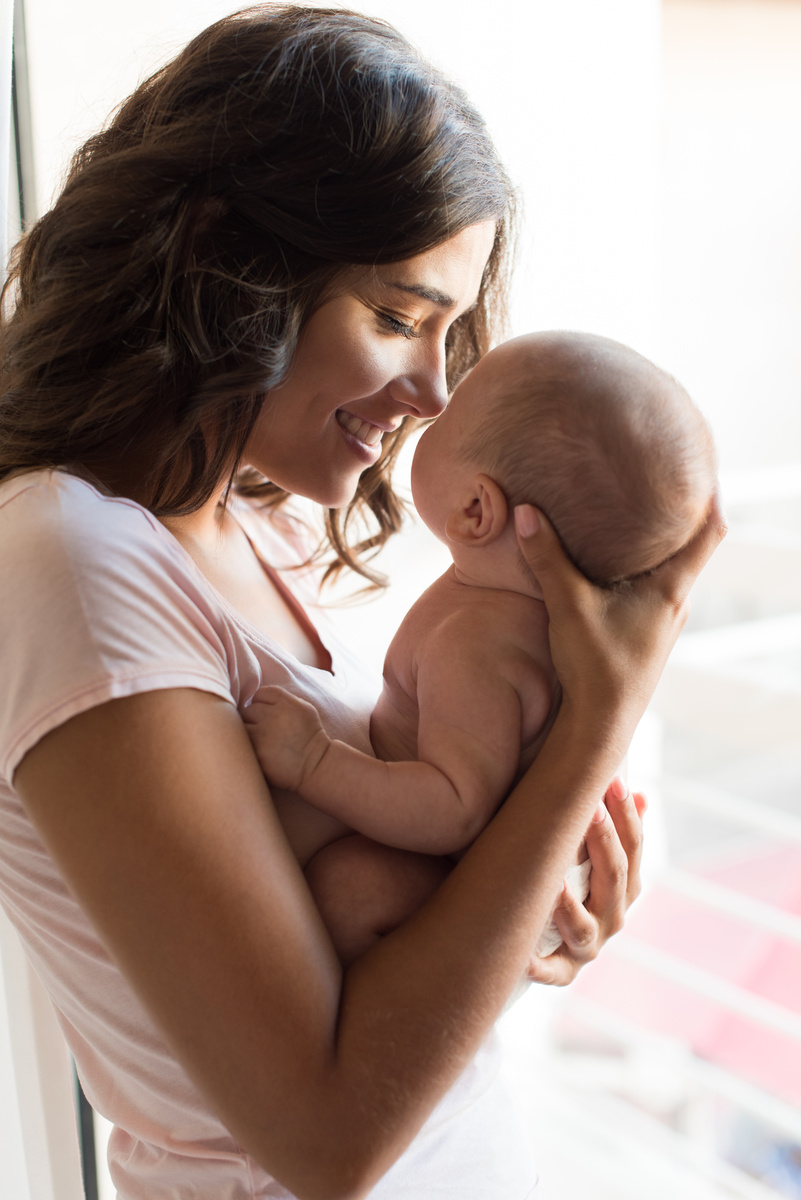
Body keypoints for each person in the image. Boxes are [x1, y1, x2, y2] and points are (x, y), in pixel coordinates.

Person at [0, 7, 725, 1200]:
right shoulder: (71, 563)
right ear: (230, 268)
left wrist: (533, 903)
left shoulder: (258, 527)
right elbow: (326, 1138)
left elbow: (396, 951)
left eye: (449, 333)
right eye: (396, 317)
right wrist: (600, 718)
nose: (435, 393)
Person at [244, 330, 718, 964]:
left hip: (482, 887)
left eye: (456, 406)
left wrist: (313, 762)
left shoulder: (479, 646)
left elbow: (452, 809)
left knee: (348, 890)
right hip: (522, 885)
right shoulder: (514, 611)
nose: (434, 404)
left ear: (475, 509)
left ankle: (373, 1019)